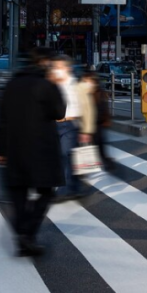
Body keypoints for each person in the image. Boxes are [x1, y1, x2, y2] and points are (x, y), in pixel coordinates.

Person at [0, 49, 65, 256]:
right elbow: (59, 112)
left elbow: (2, 120)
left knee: (19, 193)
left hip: (15, 150)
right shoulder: (46, 85)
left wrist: (1, 151)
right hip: (41, 150)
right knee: (45, 192)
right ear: (44, 63)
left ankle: (22, 236)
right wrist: (56, 85)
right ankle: (28, 234)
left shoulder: (11, 85)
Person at [49, 55, 85, 201]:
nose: (57, 70)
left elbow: (84, 107)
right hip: (56, 123)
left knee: (66, 155)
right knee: (66, 156)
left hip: (71, 124)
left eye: (59, 67)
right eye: (55, 67)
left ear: (67, 68)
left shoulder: (75, 84)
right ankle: (75, 187)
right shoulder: (54, 85)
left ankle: (65, 190)